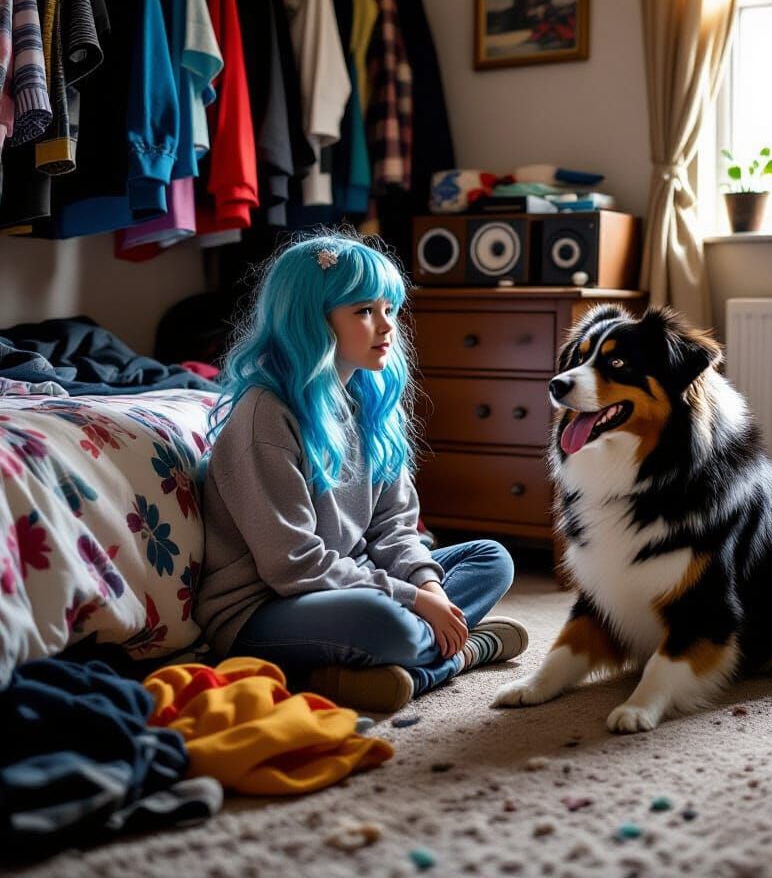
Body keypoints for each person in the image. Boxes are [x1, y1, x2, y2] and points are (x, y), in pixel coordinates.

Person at [195, 230, 528, 712]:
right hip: (262, 609)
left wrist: (429, 589)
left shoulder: (370, 406)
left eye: (389, 309)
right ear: (312, 319)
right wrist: (413, 600)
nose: (387, 326)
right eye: (365, 311)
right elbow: (293, 566)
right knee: (384, 623)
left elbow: (395, 528)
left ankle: (399, 661)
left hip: (352, 583)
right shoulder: (265, 414)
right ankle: (463, 652)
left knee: (492, 558)